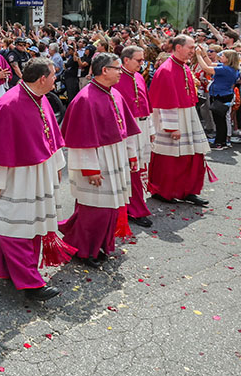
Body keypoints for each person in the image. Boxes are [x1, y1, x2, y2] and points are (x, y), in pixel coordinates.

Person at [0, 58, 69, 301]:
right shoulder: (8, 105)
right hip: (16, 177)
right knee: (15, 226)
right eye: (53, 76)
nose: (55, 79)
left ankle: (5, 269)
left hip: (38, 173)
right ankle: (30, 284)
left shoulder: (40, 99)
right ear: (42, 79)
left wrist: (57, 164)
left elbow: (52, 135)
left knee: (28, 224)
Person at [59, 54, 141, 268]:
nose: (120, 72)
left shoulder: (114, 93)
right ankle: (84, 250)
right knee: (95, 209)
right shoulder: (85, 99)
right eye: (117, 68)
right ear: (104, 70)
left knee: (109, 208)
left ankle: (99, 245)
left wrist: (131, 154)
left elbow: (126, 130)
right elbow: (80, 140)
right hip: (97, 162)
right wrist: (89, 170)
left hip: (114, 156)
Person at [147, 35, 212, 206]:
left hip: (188, 114)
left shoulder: (183, 66)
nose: (193, 51)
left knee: (192, 155)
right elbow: (163, 101)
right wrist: (171, 128)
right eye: (190, 48)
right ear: (178, 48)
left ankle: (188, 191)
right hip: (173, 119)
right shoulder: (166, 70)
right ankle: (163, 191)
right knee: (170, 158)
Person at [117, 46, 155, 228]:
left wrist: (152, 129)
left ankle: (136, 205)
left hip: (143, 125)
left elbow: (147, 101)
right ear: (126, 60)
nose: (142, 63)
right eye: (138, 60)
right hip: (128, 131)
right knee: (132, 168)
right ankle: (134, 208)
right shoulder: (116, 79)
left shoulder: (139, 76)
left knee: (140, 167)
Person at [193, 47, 241, 150]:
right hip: (221, 94)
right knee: (220, 120)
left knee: (219, 120)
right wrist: (203, 54)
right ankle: (220, 140)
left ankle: (220, 142)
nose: (220, 57)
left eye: (223, 56)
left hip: (221, 95)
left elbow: (206, 68)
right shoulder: (227, 67)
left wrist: (198, 55)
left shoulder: (226, 69)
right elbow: (210, 64)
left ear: (228, 59)